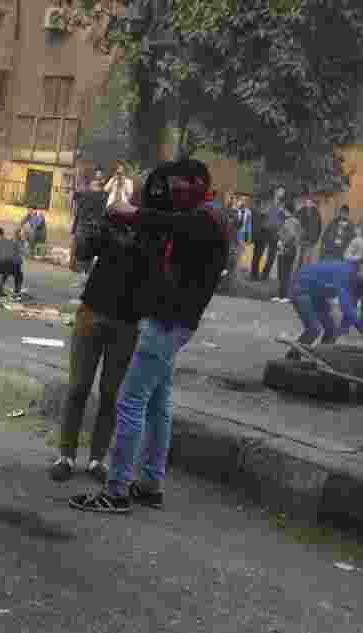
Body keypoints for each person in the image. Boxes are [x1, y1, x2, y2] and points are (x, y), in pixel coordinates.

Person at [69, 158, 231, 514]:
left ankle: (117, 490)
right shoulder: (201, 216)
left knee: (130, 401)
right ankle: (150, 483)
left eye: (177, 187)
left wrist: (130, 212)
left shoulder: (207, 218)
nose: (170, 195)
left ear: (196, 185)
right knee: (158, 404)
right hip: (172, 322)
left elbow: (165, 221)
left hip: (169, 324)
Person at [50, 170, 142, 484]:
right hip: (93, 311)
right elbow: (84, 253)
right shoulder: (113, 222)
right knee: (78, 388)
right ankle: (65, 455)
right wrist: (99, 222)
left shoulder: (156, 234)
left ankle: (96, 460)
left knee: (110, 394)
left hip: (127, 321)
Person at [289, 256, 363, 348]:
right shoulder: (346, 272)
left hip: (318, 295)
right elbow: (346, 307)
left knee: (332, 331)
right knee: (314, 329)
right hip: (301, 288)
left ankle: (322, 357)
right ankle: (292, 357)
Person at [71, 168, 108, 287]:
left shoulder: (90, 194)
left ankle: (85, 279)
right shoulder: (102, 196)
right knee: (88, 256)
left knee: (84, 256)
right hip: (92, 228)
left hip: (88, 229)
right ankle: (85, 279)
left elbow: (76, 201)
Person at [251, 185, 288, 282]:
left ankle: (264, 276)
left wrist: (283, 212)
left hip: (275, 232)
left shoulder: (283, 204)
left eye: (283, 192)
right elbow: (259, 211)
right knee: (258, 254)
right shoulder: (267, 201)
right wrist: (268, 210)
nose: (281, 193)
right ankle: (254, 275)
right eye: (280, 191)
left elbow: (286, 218)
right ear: (275, 191)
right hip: (264, 230)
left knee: (271, 256)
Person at [273, 205, 303, 303]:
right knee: (281, 272)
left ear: (287, 210)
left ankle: (285, 296)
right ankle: (281, 295)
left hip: (288, 249)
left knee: (285, 272)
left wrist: (283, 243)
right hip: (286, 249)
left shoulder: (291, 221)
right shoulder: (289, 221)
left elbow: (291, 235)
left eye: (283, 210)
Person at [297, 196, 323, 269]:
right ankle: (299, 271)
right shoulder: (301, 211)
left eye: (310, 202)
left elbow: (319, 227)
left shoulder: (316, 213)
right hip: (303, 238)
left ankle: (306, 271)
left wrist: (316, 238)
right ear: (305, 203)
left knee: (309, 256)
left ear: (312, 203)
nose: (308, 204)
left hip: (312, 239)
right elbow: (297, 223)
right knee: (301, 256)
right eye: (307, 202)